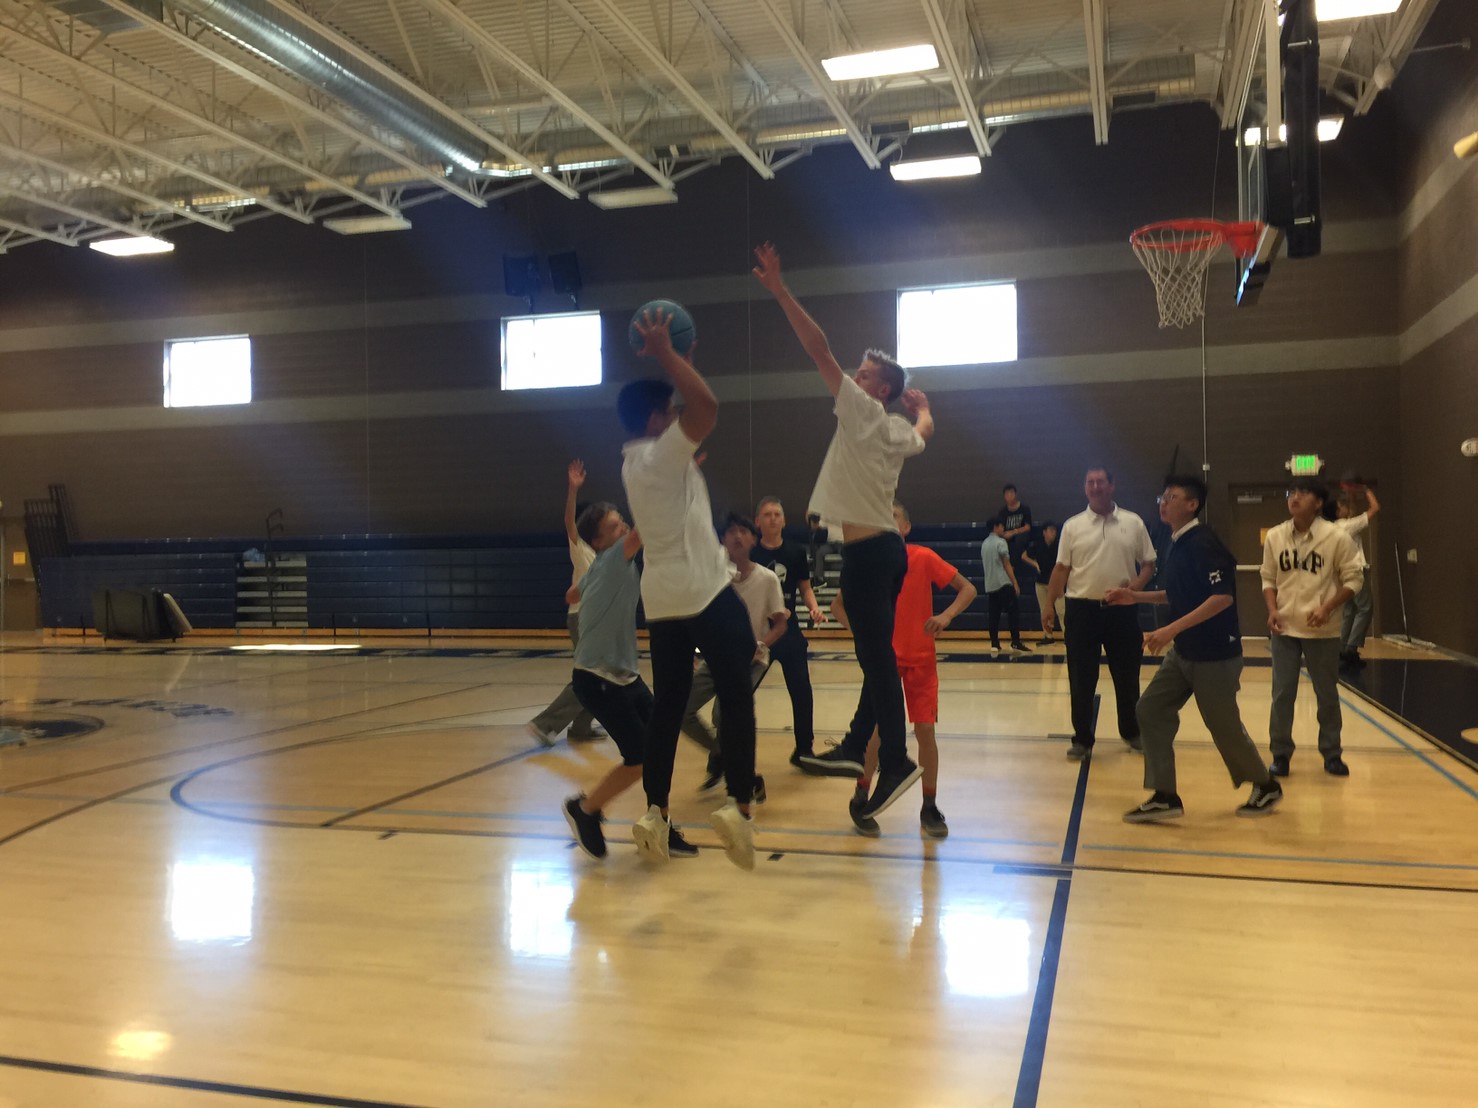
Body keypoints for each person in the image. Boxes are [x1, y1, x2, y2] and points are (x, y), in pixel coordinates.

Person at [752, 242, 934, 820]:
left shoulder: (863, 411)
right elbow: (924, 433)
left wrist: (781, 291)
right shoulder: (897, 429)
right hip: (884, 551)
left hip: (870, 553)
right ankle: (862, 746)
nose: (855, 376)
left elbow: (819, 347)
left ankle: (894, 759)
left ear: (876, 390)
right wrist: (923, 407)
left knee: (876, 660)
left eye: (865, 374)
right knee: (875, 656)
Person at [619, 309, 757, 869]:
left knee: (669, 705)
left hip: (662, 601)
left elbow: (691, 405)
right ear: (657, 421)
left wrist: (680, 359)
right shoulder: (662, 455)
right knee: (737, 690)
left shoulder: (636, 461)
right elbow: (708, 407)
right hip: (704, 590)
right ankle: (738, 805)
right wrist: (666, 354)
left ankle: (655, 811)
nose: (679, 416)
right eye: (670, 413)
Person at [1105, 476, 1283, 822]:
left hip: (1215, 654)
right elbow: (1178, 595)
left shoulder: (1203, 542)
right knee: (1150, 709)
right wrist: (1134, 596)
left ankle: (1266, 784)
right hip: (1184, 653)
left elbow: (1221, 598)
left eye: (1172, 497)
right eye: (1163, 496)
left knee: (1223, 725)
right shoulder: (1177, 543)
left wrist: (1169, 629)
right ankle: (1164, 795)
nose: (1163, 502)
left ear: (1192, 505)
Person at [559, 503, 699, 860]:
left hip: (625, 676)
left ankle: (660, 824)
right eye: (615, 526)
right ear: (599, 541)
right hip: (597, 678)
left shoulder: (600, 566)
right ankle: (585, 809)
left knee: (660, 748)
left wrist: (590, 595)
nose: (623, 527)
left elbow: (571, 595)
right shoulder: (611, 559)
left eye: (622, 522)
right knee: (639, 758)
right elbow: (645, 528)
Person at [830, 501, 977, 837]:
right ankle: (861, 796)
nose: (887, 522)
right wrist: (864, 635)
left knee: (925, 732)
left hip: (922, 661)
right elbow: (838, 605)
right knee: (876, 733)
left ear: (906, 527)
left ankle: (929, 806)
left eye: (893, 517)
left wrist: (946, 616)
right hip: (886, 662)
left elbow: (968, 589)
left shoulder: (922, 557)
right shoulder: (871, 565)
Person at [1043, 466, 1157, 760]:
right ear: (1085, 488)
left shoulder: (1133, 522)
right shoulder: (1072, 526)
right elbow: (1061, 569)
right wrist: (1048, 604)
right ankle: (1082, 738)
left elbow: (1148, 563)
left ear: (1112, 486)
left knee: (1127, 675)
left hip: (1122, 611)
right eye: (1090, 482)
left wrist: (1135, 588)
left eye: (1100, 482)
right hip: (1081, 611)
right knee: (1081, 678)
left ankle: (1131, 731)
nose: (1095, 487)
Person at [1261, 476, 1363, 777]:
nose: (1294, 497)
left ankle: (1332, 753)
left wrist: (1327, 607)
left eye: (1303, 493)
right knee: (1282, 694)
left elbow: (1354, 579)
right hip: (1284, 629)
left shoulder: (1336, 537)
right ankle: (1280, 754)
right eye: (1291, 491)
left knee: (1326, 694)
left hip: (1322, 629)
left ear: (1318, 502)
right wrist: (1272, 610)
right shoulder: (1276, 536)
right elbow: (1268, 578)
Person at [682, 513, 787, 799]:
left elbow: (780, 623)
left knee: (724, 713)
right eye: (731, 532)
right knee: (682, 708)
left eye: (744, 531)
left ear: (754, 539)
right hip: (716, 657)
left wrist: (760, 645)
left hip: (751, 661)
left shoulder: (767, 579)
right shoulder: (713, 578)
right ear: (722, 540)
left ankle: (741, 775)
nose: (737, 536)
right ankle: (724, 756)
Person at [527, 459, 602, 745]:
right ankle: (544, 723)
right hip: (581, 617)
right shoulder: (580, 548)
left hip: (595, 619)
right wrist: (573, 490)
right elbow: (569, 522)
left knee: (601, 677)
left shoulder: (604, 556)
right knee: (590, 676)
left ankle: (581, 727)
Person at [751, 496, 820, 765]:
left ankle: (804, 749)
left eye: (777, 514)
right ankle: (723, 753)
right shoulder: (751, 554)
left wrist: (813, 608)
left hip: (789, 633)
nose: (773, 519)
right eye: (767, 514)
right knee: (739, 693)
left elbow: (805, 587)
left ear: (784, 520)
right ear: (757, 521)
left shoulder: (795, 552)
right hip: (758, 634)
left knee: (801, 691)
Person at [1334, 483, 1380, 668]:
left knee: (1350, 610)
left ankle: (1341, 648)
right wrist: (1367, 490)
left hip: (1341, 574)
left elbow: (1352, 512)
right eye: (1343, 505)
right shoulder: (1348, 526)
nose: (1348, 508)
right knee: (1365, 608)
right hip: (1354, 572)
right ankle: (1351, 649)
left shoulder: (1335, 527)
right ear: (1339, 510)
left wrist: (1351, 495)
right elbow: (1375, 509)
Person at [980, 518, 1030, 653]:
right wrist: (1015, 582)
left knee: (994, 615)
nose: (1003, 528)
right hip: (1003, 583)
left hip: (990, 584)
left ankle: (994, 643)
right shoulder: (1001, 542)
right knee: (1013, 612)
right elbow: (1006, 564)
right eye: (1001, 526)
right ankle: (1015, 641)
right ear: (995, 527)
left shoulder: (984, 544)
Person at [1023, 521, 1064, 643]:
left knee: (1062, 611)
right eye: (1050, 530)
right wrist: (1035, 564)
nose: (1053, 533)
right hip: (1041, 582)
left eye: (1054, 531)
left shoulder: (1059, 545)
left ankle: (1068, 636)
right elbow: (1024, 556)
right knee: (1044, 610)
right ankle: (1048, 636)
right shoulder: (1037, 544)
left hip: (1056, 583)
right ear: (1044, 532)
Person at [996, 484, 1033, 567]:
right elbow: (1000, 528)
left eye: (1011, 493)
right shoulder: (1002, 512)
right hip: (1008, 538)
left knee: (1018, 540)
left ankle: (1013, 565)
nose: (1009, 496)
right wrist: (1004, 534)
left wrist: (1014, 532)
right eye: (1007, 494)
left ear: (1015, 494)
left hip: (1020, 536)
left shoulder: (1024, 509)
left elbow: (1027, 527)